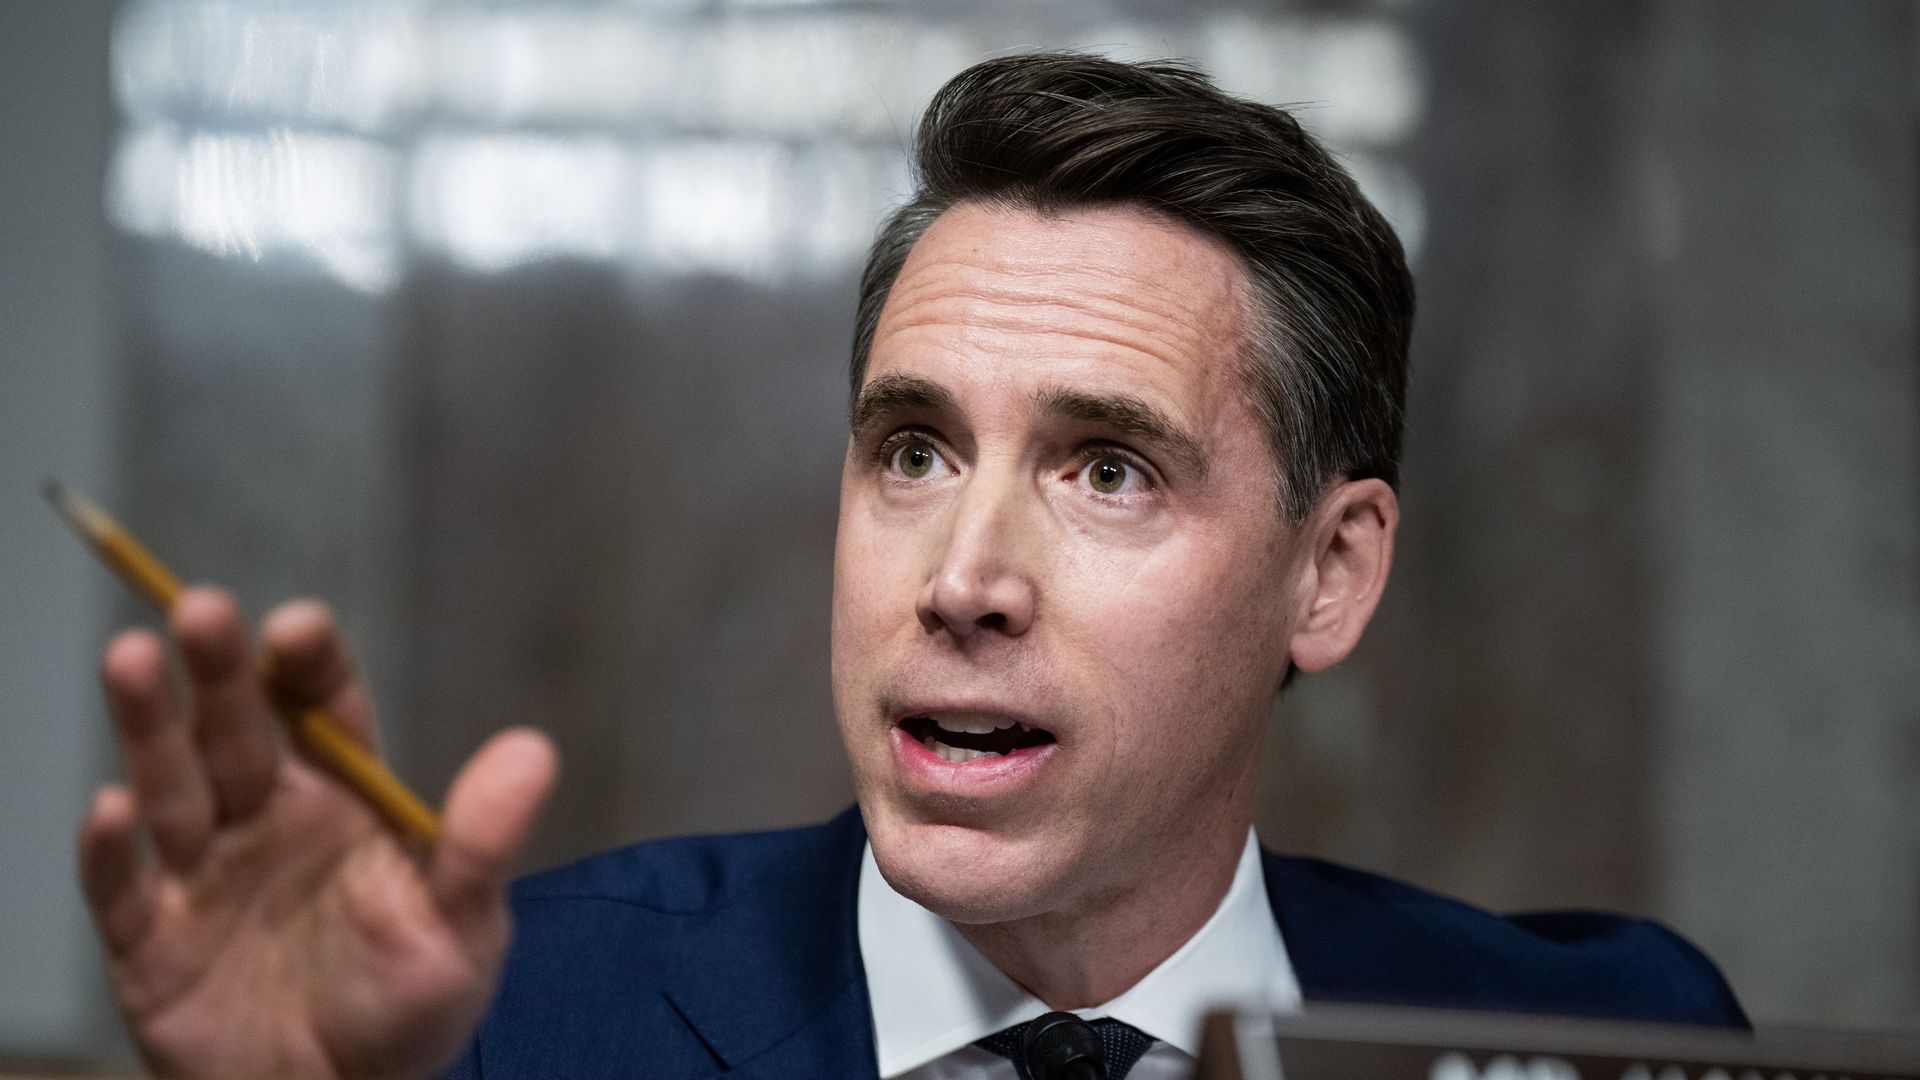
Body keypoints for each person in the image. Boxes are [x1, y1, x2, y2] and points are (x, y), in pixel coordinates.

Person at [77, 53, 1745, 1080]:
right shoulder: (497, 1029)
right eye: (914, 451)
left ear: (1333, 573)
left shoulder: (1609, 1038)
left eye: (1106, 470)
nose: (963, 577)